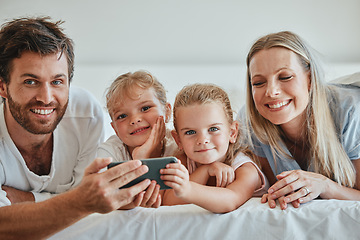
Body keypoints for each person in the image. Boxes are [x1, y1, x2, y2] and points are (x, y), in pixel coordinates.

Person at [0, 16, 152, 239]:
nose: (46, 97)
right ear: (2, 87)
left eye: (57, 81)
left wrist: (27, 200)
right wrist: (80, 200)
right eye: (30, 82)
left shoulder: (86, 113)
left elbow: (87, 198)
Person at [240, 31, 360, 210]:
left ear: (310, 79)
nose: (271, 92)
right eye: (258, 83)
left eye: (285, 77)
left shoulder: (349, 111)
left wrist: (326, 186)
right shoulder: (250, 123)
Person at [161, 83, 268, 213]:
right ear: (178, 140)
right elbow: (168, 201)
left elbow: (230, 200)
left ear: (232, 132)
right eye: (190, 132)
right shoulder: (182, 161)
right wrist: (206, 169)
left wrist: (187, 189)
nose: (202, 140)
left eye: (213, 129)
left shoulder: (245, 168)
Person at [97, 70, 178, 208]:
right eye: (122, 116)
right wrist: (141, 160)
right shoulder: (110, 151)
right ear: (115, 128)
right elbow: (98, 197)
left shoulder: (179, 143)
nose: (134, 120)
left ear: (167, 111)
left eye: (145, 108)